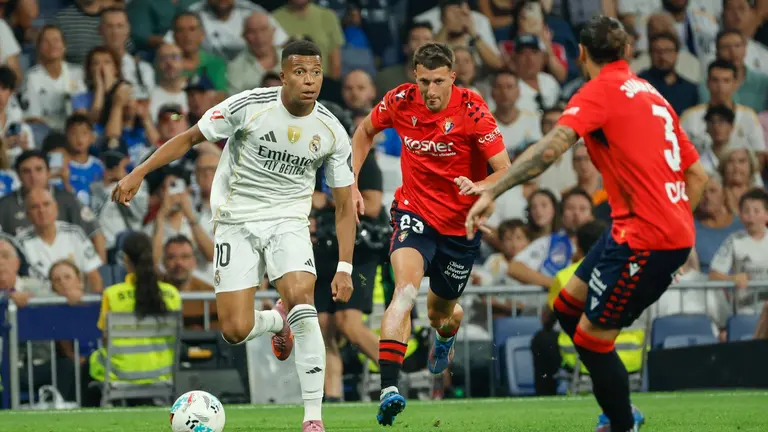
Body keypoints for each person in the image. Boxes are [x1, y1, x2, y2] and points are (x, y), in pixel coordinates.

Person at [466, 16, 709, 432]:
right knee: (565, 306)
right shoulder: (653, 96)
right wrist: (679, 228)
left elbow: (551, 149)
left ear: (580, 54)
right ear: (627, 52)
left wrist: (494, 189)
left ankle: (621, 423)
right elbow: (699, 177)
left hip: (648, 236)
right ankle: (619, 409)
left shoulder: (600, 91)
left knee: (592, 339)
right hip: (635, 229)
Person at [112, 40, 356, 432]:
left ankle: (313, 418)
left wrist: (344, 266)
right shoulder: (250, 106)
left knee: (302, 299)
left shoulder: (331, 130)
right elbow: (190, 137)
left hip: (288, 220)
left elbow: (345, 206)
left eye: (315, 72)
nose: (309, 81)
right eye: (299, 72)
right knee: (234, 329)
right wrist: (137, 172)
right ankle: (277, 322)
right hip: (236, 220)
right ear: (283, 76)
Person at [350, 42, 512, 426]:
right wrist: (352, 183)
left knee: (441, 313)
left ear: (452, 78)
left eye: (438, 81)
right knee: (404, 291)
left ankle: (445, 335)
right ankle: (390, 387)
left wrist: (481, 187)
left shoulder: (473, 109)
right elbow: (363, 131)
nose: (430, 91)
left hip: (459, 228)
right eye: (423, 81)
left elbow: (505, 168)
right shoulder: (401, 100)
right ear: (415, 77)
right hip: (414, 213)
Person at [87, 232, 181, 407]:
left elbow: (106, 340)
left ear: (126, 260)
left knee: (91, 361)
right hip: (161, 373)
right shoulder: (172, 294)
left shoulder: (112, 294)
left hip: (120, 373)